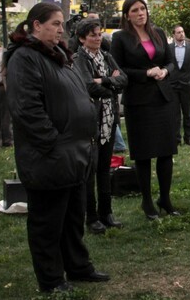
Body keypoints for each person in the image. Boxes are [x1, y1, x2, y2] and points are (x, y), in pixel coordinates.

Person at [4, 2, 110, 293]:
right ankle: (51, 280)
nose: (61, 29)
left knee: (73, 218)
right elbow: (26, 109)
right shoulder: (24, 58)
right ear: (36, 26)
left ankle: (77, 267)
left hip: (74, 155)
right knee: (48, 223)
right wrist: (53, 141)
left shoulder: (61, 57)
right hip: (49, 157)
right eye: (55, 23)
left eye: (62, 24)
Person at [110, 0, 179, 220]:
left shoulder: (157, 32)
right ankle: (147, 201)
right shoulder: (120, 38)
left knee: (166, 151)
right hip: (139, 102)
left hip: (163, 98)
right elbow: (118, 69)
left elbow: (171, 62)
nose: (141, 13)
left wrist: (165, 71)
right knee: (144, 154)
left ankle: (165, 199)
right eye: (135, 10)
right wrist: (145, 73)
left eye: (143, 9)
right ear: (127, 16)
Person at [73, 18, 127, 234]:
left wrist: (102, 81)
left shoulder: (106, 55)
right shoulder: (80, 58)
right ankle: (92, 217)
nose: (98, 38)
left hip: (109, 118)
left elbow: (124, 79)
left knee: (105, 168)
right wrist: (110, 85)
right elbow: (87, 87)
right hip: (91, 121)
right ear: (82, 38)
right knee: (91, 171)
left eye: (99, 34)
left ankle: (107, 213)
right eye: (93, 35)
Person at [169, 25, 190, 147]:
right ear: (174, 35)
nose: (181, 34)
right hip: (173, 85)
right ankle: (176, 139)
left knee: (187, 113)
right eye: (178, 32)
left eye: (182, 32)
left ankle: (189, 138)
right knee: (175, 114)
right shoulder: (169, 48)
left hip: (187, 86)